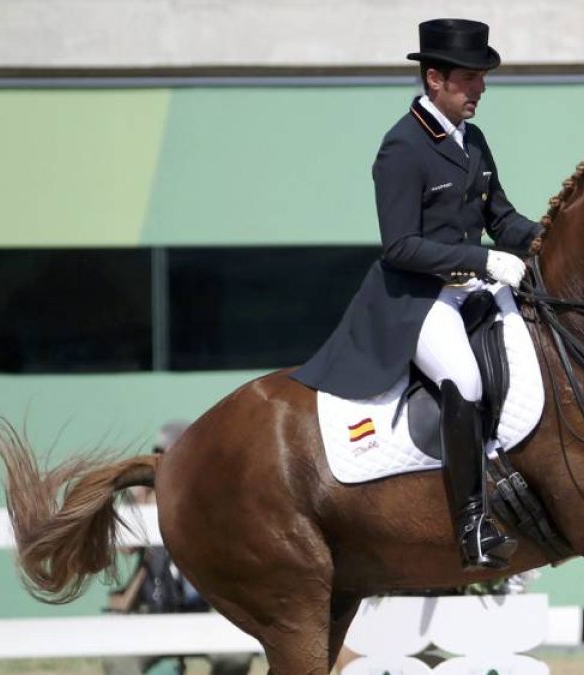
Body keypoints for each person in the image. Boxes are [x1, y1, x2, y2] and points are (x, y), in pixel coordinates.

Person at [292, 18, 542, 571]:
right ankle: (472, 525)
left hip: (473, 291)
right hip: (417, 301)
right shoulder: (402, 148)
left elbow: (500, 217)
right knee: (466, 380)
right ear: (435, 78)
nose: (480, 89)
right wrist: (482, 259)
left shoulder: (471, 140)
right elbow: (400, 246)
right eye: (469, 79)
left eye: (481, 79)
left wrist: (549, 237)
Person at [103, 421, 255, 675]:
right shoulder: (146, 497)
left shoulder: (210, 495)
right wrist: (141, 497)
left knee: (235, 656)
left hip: (199, 612)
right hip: (151, 610)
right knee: (120, 662)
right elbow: (126, 548)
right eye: (164, 456)